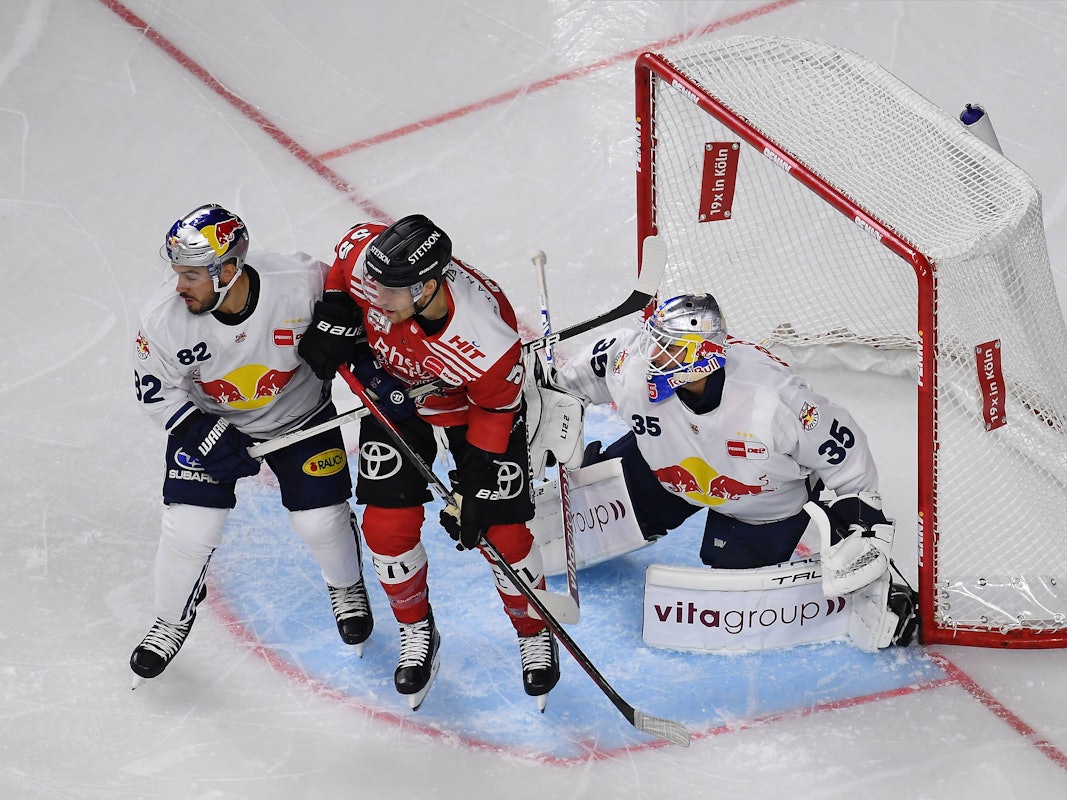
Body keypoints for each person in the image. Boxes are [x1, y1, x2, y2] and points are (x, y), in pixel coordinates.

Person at [297, 214, 559, 710]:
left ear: (428, 287)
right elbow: (343, 266)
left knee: (501, 533)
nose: (376, 299)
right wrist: (335, 306)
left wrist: (476, 486)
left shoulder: (485, 337)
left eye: (390, 293)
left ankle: (533, 630)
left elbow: (494, 411)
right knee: (385, 530)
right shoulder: (376, 264)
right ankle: (417, 630)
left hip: (471, 410)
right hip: (396, 394)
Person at [130, 203, 373, 685]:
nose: (180, 286)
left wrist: (347, 322)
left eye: (192, 275)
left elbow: (353, 294)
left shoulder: (300, 280)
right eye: (178, 273)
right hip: (211, 422)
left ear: (228, 269)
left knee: (320, 522)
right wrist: (200, 430)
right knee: (189, 530)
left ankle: (346, 585)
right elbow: (154, 388)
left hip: (299, 416)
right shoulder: (162, 318)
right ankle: (171, 618)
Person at [552, 292, 911, 619]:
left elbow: (846, 453)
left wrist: (861, 522)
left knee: (731, 604)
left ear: (701, 357)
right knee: (587, 506)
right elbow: (573, 381)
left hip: (760, 505)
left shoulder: (774, 402)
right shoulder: (631, 365)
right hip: (665, 468)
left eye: (669, 347)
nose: (653, 353)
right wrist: (548, 412)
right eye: (655, 339)